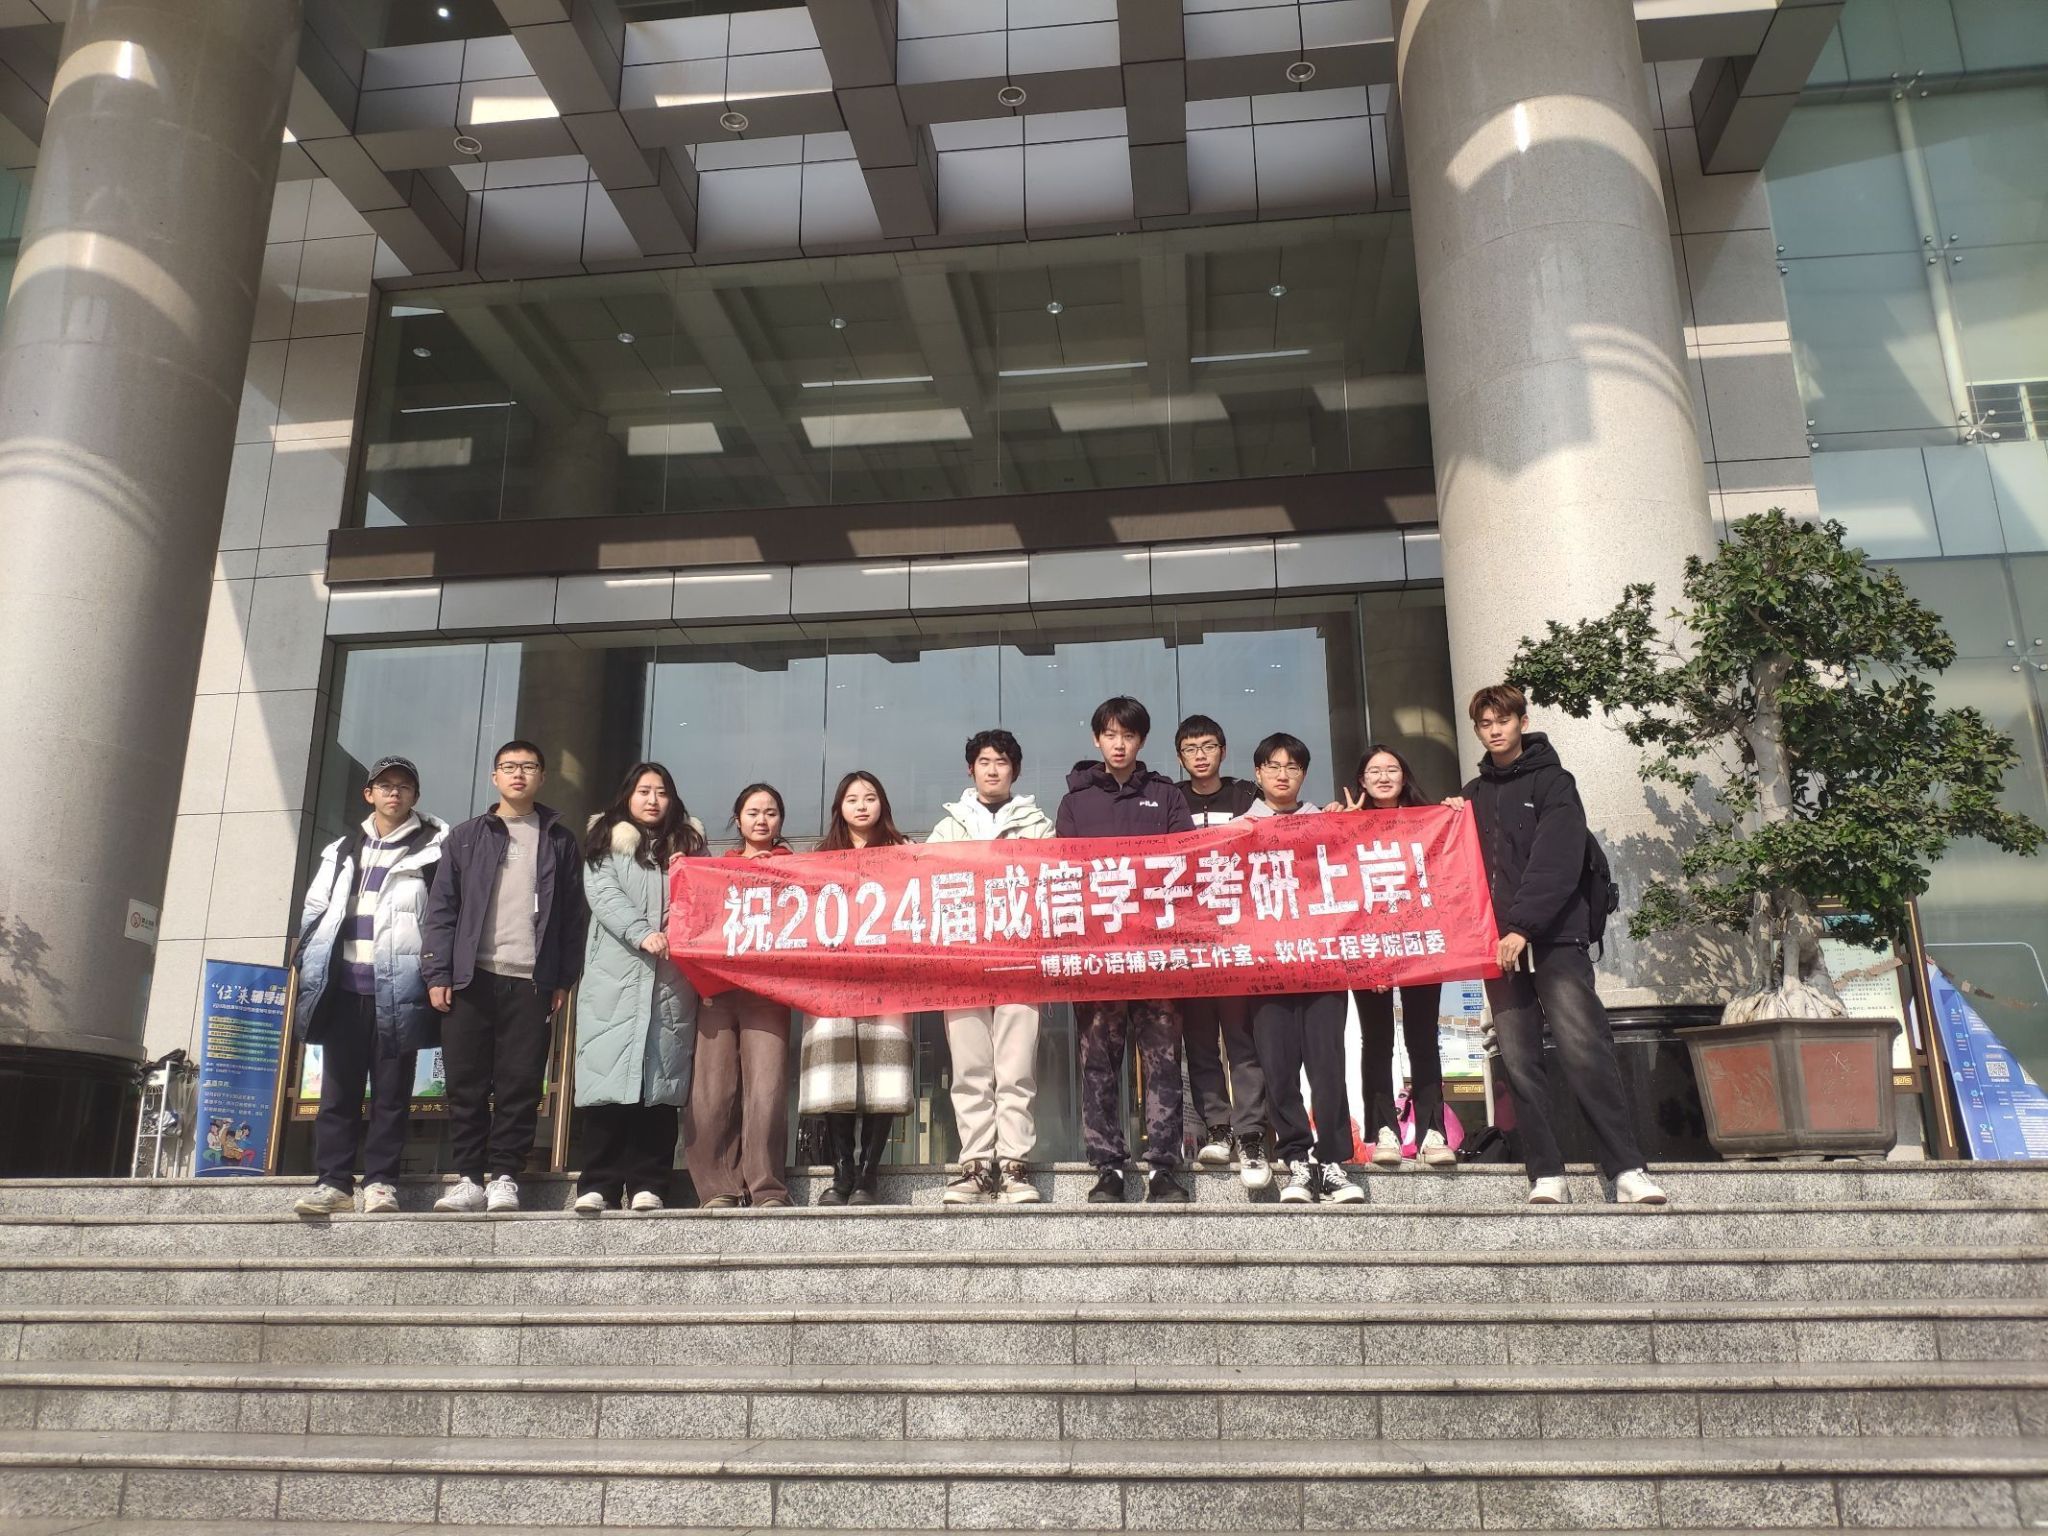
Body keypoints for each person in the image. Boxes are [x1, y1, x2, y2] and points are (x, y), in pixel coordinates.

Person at [1456, 685, 1668, 1207]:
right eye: (1485, 723)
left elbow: (1558, 858)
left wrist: (1522, 926)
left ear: (1522, 722)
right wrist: (1448, 814)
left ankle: (1627, 1168)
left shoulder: (1554, 782)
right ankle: (1546, 1173)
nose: (1495, 730)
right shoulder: (1473, 794)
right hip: (1498, 949)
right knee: (1519, 1062)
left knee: (1584, 1050)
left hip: (1554, 939)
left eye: (1503, 720)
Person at [422, 740, 587, 1214]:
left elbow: (573, 917)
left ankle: (506, 1176)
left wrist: (563, 978)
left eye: (528, 767)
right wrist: (437, 972)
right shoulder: (466, 837)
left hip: (532, 980)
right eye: (509, 767)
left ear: (542, 777)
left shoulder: (559, 840)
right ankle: (469, 1178)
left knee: (520, 1082)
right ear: (494, 776)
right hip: (470, 978)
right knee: (466, 1083)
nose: (518, 774)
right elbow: (442, 909)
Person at [291, 755, 449, 1216]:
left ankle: (381, 1183)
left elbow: (442, 918)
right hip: (343, 989)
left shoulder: (434, 851)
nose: (393, 793)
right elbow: (315, 910)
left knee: (391, 1095)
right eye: (385, 786)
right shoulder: (342, 850)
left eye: (403, 786)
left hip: (399, 991)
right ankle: (333, 1183)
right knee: (337, 1093)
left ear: (415, 796)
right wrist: (308, 964)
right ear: (369, 794)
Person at [1056, 696, 1195, 1204]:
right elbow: (1065, 874)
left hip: (1156, 955)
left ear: (1142, 740)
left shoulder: (1166, 795)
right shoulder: (1075, 802)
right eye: (1111, 735)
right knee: (1097, 1064)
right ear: (1097, 739)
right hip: (1098, 957)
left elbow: (1187, 863)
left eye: (1129, 735)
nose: (1119, 744)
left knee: (1162, 1062)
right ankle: (1108, 1167)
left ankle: (1163, 1168)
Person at [929, 728, 1056, 1205]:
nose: (993, 770)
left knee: (1016, 1068)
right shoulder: (948, 827)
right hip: (961, 961)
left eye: (1001, 762)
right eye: (984, 761)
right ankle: (978, 1165)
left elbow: (1051, 880)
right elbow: (925, 881)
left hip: (1019, 958)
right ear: (971, 769)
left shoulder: (1038, 825)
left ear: (1014, 771)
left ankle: (1015, 1165)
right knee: (970, 1068)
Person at [572, 763, 704, 1215]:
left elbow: (699, 901)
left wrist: (674, 935)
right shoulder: (606, 842)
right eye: (644, 791)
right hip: (615, 981)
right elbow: (604, 894)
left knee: (660, 1086)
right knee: (608, 1084)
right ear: (628, 795)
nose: (652, 800)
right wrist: (641, 931)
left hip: (669, 982)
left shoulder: (689, 846)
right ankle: (599, 1184)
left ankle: (650, 1182)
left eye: (661, 792)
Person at [1241, 733, 1362, 1205]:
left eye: (1292, 767)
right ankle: (1295, 1158)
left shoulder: (1327, 823)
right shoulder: (1238, 830)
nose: (1282, 774)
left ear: (1304, 774)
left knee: (1328, 1064)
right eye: (1273, 766)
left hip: (1323, 964)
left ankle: (1332, 1161)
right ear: (1258, 773)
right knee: (1278, 1067)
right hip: (1265, 968)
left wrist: (1358, 826)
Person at [1333, 746, 1457, 1171]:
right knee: (1376, 1040)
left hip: (1419, 944)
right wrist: (1339, 824)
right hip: (1369, 947)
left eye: (1392, 769)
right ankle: (1382, 1131)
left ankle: (1432, 1132)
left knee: (1422, 1039)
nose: (1383, 777)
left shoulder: (1429, 818)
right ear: (1361, 780)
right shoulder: (1349, 823)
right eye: (1374, 771)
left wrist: (1452, 811)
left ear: (1405, 776)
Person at [802, 772, 916, 1206]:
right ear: (840, 807)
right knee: (837, 1072)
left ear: (882, 803)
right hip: (832, 981)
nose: (862, 806)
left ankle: (869, 1173)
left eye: (870, 798)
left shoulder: (903, 852)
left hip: (887, 980)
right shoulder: (820, 857)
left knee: (882, 1072)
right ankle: (841, 1172)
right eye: (853, 799)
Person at [684, 783, 796, 1209]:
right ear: (737, 819)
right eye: (753, 812)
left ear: (780, 821)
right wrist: (683, 871)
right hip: (718, 989)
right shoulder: (715, 869)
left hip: (769, 990)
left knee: (766, 1089)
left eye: (770, 812)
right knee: (711, 1090)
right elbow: (697, 922)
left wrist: (780, 874)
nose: (762, 820)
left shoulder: (798, 869)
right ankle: (718, 1188)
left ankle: (766, 1186)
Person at [1172, 714, 1271, 1190]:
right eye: (1191, 749)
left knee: (1242, 1040)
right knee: (1199, 1040)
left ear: (1223, 751)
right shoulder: (1171, 800)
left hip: (1239, 940)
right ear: (1180, 757)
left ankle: (1252, 1133)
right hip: (1189, 943)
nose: (1200, 755)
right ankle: (1217, 1126)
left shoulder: (1247, 797)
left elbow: (1287, 834)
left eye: (1209, 746)